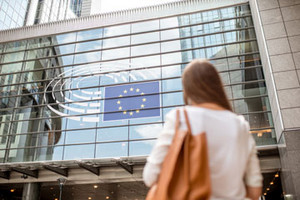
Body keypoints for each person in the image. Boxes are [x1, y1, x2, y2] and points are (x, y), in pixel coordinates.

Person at [143, 59, 263, 200]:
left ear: (188, 89)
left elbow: (150, 176)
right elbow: (255, 189)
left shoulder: (180, 118)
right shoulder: (240, 124)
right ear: (218, 86)